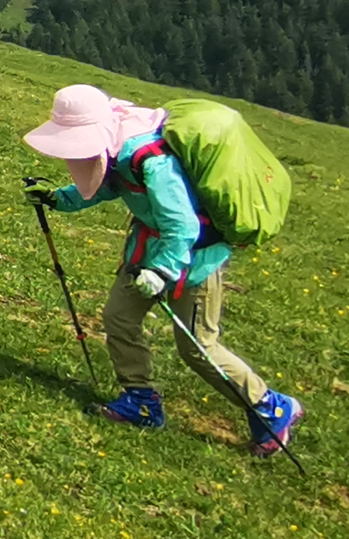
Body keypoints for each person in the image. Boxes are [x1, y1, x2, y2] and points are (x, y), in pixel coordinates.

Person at [24, 83, 302, 455]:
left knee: (197, 348)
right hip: (146, 251)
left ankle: (272, 406)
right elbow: (107, 186)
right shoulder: (117, 150)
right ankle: (141, 401)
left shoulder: (151, 160)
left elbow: (183, 225)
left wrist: (161, 271)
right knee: (119, 318)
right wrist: (58, 198)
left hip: (193, 260)